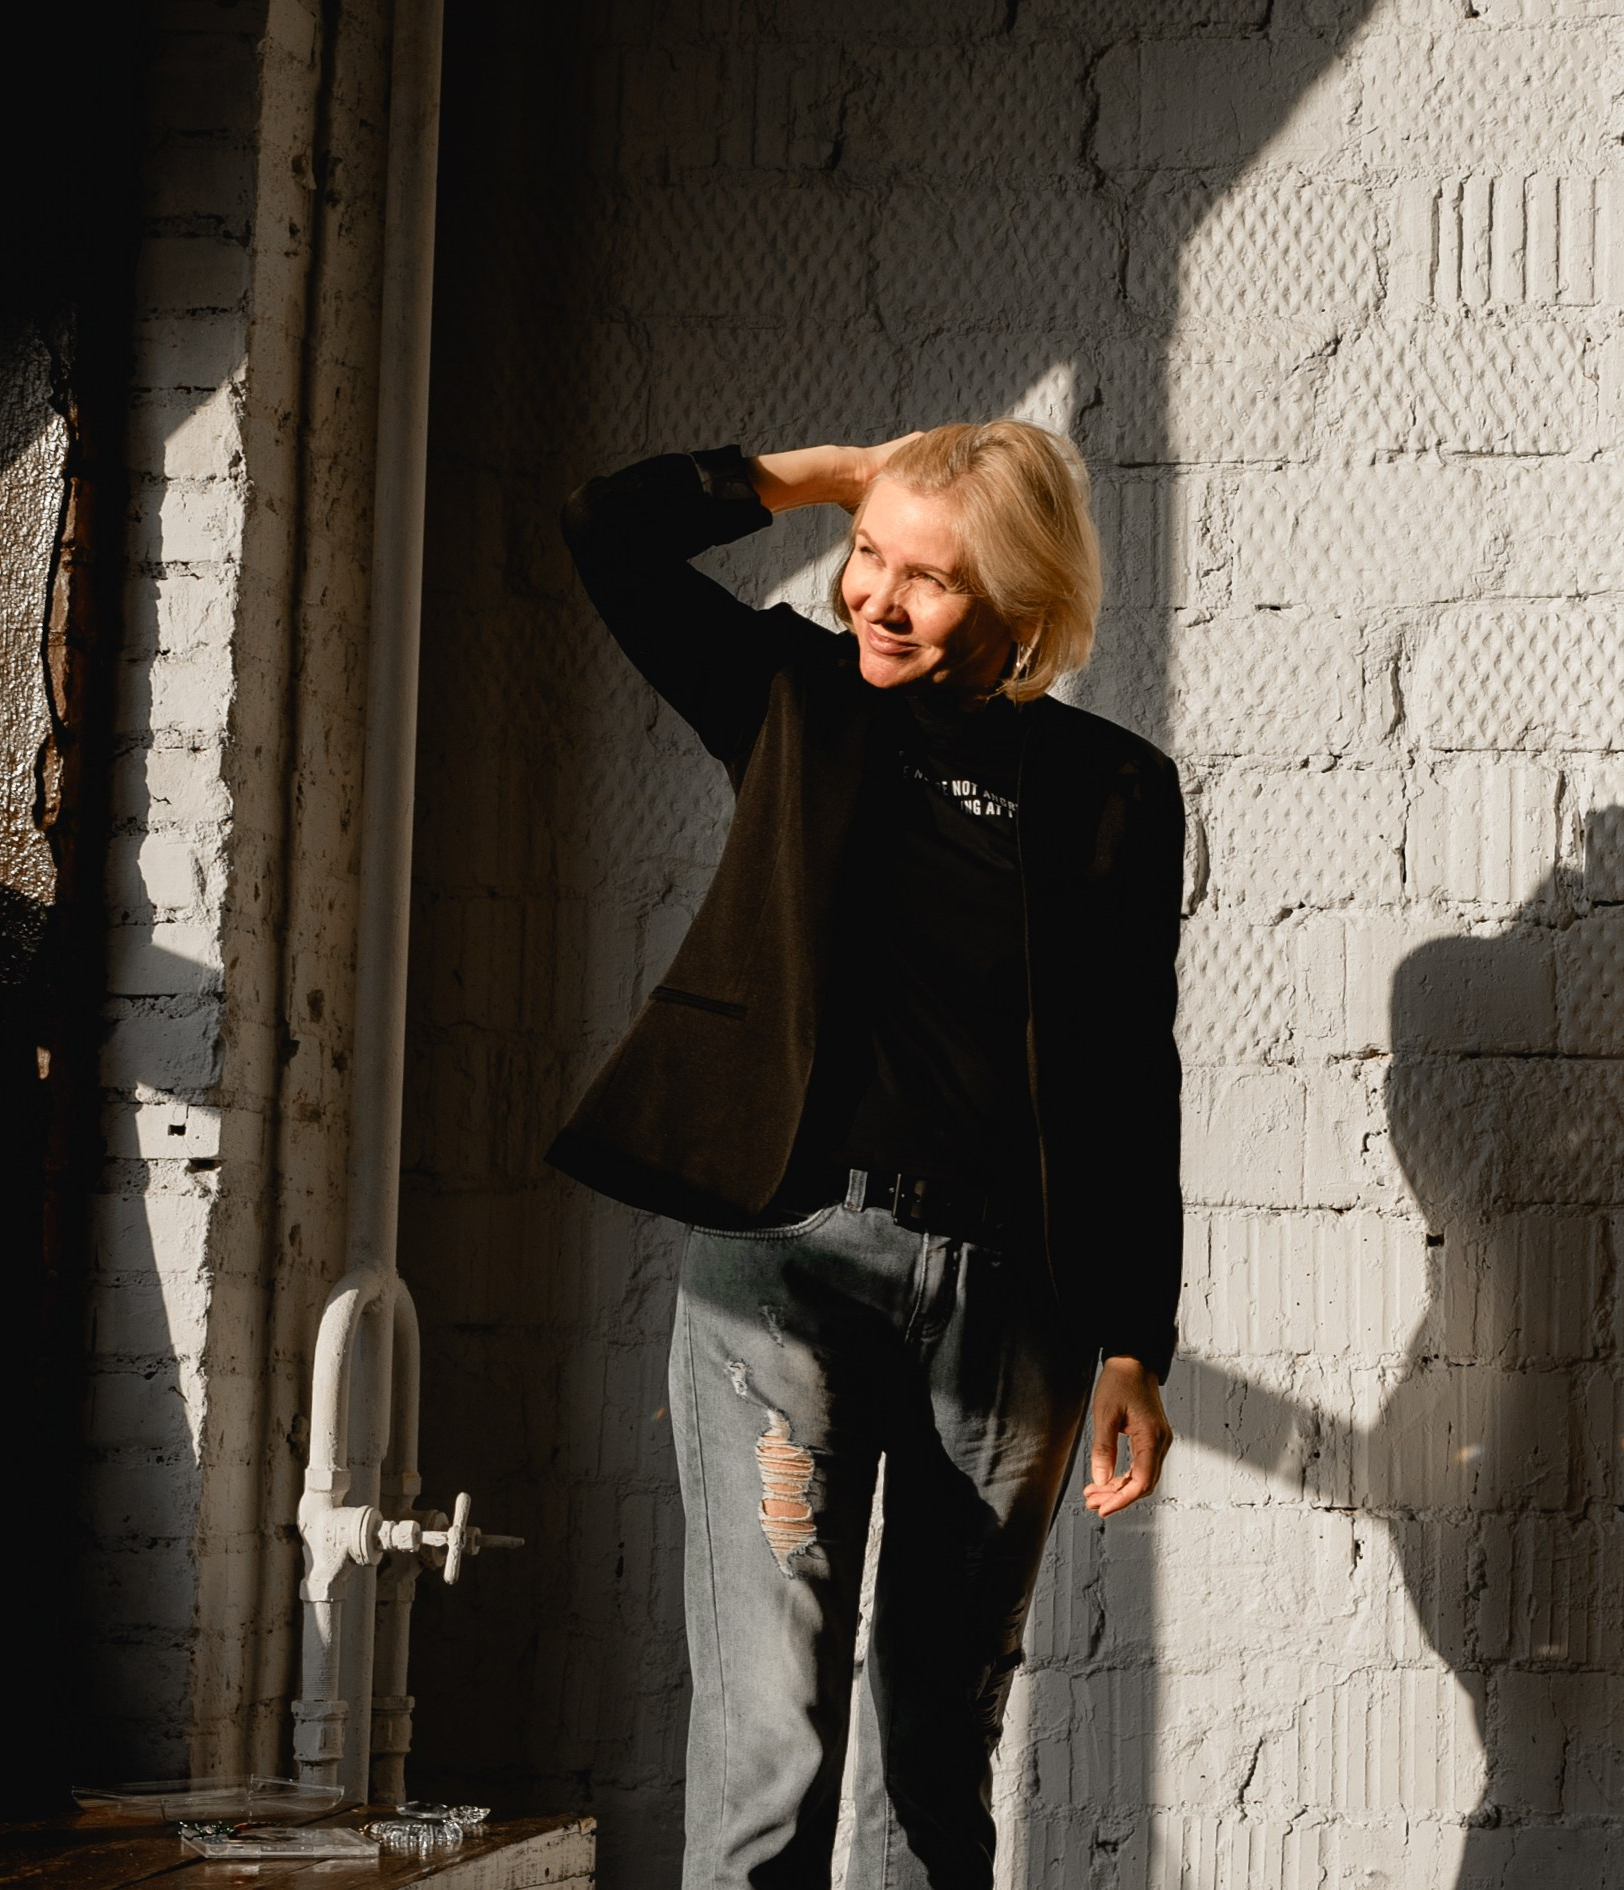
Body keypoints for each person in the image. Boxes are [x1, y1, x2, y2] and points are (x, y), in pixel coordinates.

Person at [548, 423, 1184, 1889]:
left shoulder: (1111, 793)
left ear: (1021, 604)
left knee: (932, 1763)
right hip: (780, 1275)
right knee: (770, 1743)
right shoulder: (789, 701)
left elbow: (1124, 1073)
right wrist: (817, 474)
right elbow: (603, 525)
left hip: (1010, 1304)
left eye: (927, 579)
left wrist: (1133, 1341)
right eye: (865, 560)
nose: (874, 601)